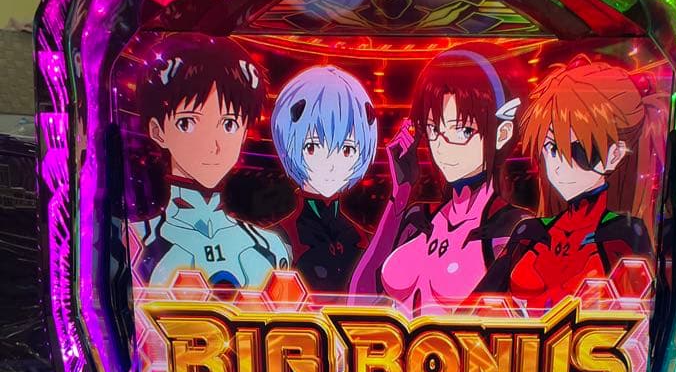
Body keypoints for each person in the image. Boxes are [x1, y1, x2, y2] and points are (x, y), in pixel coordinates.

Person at [349, 49, 527, 314]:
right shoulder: (417, 218)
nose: (442, 146)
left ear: (502, 133)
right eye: (434, 129)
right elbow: (357, 300)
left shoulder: (512, 227)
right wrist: (400, 193)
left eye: (463, 130)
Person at [487, 56, 665, 309]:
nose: (557, 164)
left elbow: (640, 315)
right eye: (549, 148)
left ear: (614, 155)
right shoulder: (529, 232)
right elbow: (472, 307)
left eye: (574, 149)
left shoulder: (624, 235)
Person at [134, 33, 290, 288]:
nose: (213, 145)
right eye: (187, 123)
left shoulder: (270, 248)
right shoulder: (137, 243)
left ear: (244, 133)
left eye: (229, 124)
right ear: (158, 131)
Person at [271, 65, 377, 291]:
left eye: (347, 150)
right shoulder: (279, 239)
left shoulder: (363, 239)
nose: (331, 164)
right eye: (312, 147)